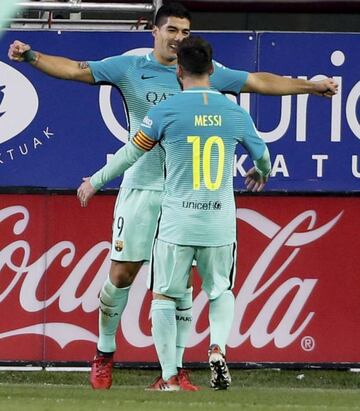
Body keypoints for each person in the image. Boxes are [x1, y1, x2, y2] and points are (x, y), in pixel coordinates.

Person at [8, 2, 337, 391]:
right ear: (155, 30)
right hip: (143, 189)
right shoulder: (130, 68)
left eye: (185, 31)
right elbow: (77, 70)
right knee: (122, 274)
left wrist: (311, 86)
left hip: (184, 196)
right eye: (173, 30)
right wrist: (32, 56)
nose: (179, 38)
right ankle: (104, 352)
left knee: (178, 286)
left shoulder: (206, 74)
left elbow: (260, 81)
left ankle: (174, 370)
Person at [77, 34, 272, 391]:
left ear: (179, 70)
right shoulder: (235, 112)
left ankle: (168, 376)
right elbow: (263, 156)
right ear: (212, 70)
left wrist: (97, 180)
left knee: (165, 295)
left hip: (178, 218)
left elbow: (131, 153)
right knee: (219, 290)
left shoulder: (165, 111)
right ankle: (217, 346)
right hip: (219, 221)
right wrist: (261, 172)